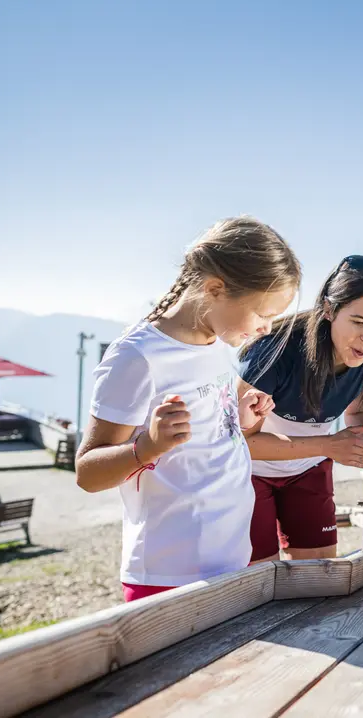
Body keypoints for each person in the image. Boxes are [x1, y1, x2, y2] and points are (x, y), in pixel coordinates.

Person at [75, 217, 301, 602]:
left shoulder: (216, 342)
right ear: (215, 289)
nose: (266, 329)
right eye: (262, 314)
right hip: (168, 576)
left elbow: (208, 435)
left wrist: (241, 419)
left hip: (231, 560)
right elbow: (87, 473)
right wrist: (146, 448)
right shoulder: (138, 356)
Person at [239, 255, 363, 562]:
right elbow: (244, 444)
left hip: (309, 470)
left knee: (320, 573)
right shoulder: (273, 353)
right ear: (328, 309)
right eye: (358, 321)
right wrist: (327, 445)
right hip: (250, 473)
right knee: (261, 579)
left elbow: (358, 413)